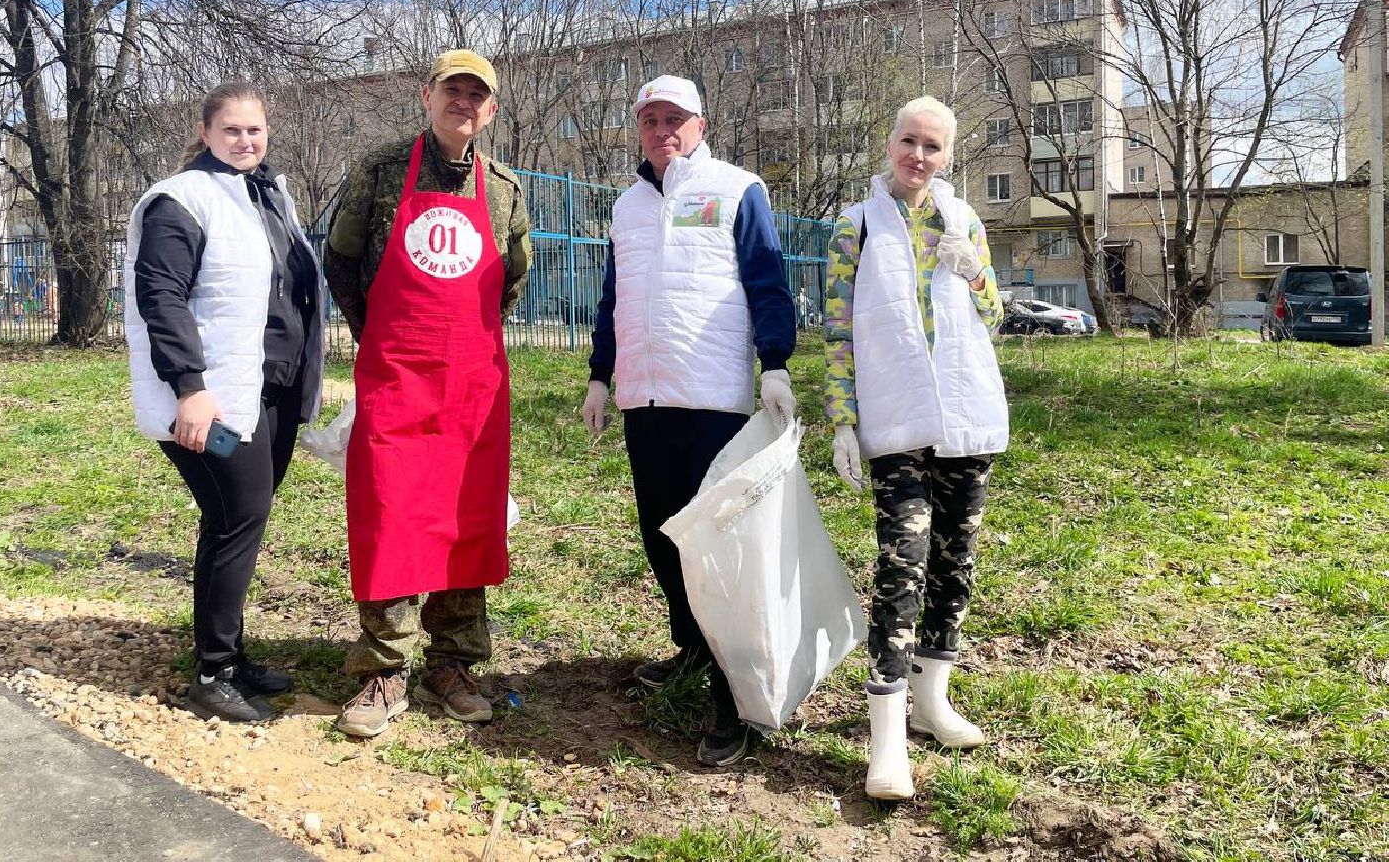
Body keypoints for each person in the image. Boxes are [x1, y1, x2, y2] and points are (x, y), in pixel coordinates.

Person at [581, 73, 797, 767]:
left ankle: (736, 703)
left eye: (675, 119)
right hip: (646, 399)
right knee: (661, 537)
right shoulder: (627, 207)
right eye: (650, 120)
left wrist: (776, 363)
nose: (662, 131)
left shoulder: (738, 189)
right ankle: (694, 650)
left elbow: (767, 277)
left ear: (700, 125)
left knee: (718, 551)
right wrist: (598, 374)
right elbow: (616, 294)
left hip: (713, 400)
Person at [324, 49, 531, 739]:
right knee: (389, 512)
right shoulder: (380, 171)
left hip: (471, 388)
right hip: (396, 377)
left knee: (465, 517)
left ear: (490, 109)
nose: (463, 103)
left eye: (477, 95)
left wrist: (464, 346)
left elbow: (511, 280)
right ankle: (383, 669)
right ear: (428, 96)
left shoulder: (503, 189)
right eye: (453, 90)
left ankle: (454, 664)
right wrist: (378, 334)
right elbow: (342, 259)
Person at [823, 96, 1007, 800]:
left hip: (965, 417)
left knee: (955, 563)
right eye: (909, 141)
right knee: (903, 567)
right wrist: (843, 418)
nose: (919, 157)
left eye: (933, 146)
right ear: (889, 142)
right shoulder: (856, 226)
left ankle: (933, 701)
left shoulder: (965, 220)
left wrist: (976, 273)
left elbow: (991, 314)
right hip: (897, 422)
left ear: (949, 155)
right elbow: (838, 330)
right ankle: (887, 738)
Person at [125, 81, 325, 723]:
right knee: (236, 518)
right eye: (232, 130)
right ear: (207, 133)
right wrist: (190, 388)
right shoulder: (180, 201)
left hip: (270, 393)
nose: (246, 140)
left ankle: (230, 658)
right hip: (212, 400)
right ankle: (213, 674)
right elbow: (162, 298)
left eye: (255, 130)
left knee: (241, 520)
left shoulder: (268, 195)